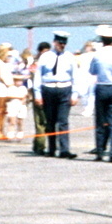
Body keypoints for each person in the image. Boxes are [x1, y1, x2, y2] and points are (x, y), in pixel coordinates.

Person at [34, 31, 79, 159]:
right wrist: (37, 94)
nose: (62, 45)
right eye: (60, 42)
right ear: (54, 42)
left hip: (64, 88)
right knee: (50, 121)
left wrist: (75, 94)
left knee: (63, 121)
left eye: (64, 43)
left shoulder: (70, 57)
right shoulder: (45, 57)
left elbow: (75, 76)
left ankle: (65, 149)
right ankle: (52, 148)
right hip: (48, 89)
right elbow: (38, 75)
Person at [87, 26, 112, 162]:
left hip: (102, 87)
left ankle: (99, 151)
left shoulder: (97, 55)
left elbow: (92, 71)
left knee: (100, 121)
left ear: (102, 41)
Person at [28, 41, 52, 153]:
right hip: (39, 94)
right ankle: (40, 145)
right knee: (40, 122)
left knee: (47, 122)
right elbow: (33, 79)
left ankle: (37, 144)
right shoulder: (35, 64)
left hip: (49, 93)